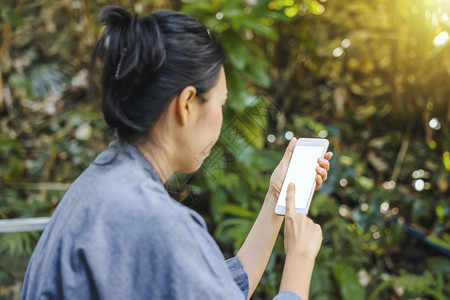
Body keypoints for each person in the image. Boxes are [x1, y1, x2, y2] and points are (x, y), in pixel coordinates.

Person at [21, 6, 333, 300]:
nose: (223, 117)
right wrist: (300, 258)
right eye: (221, 104)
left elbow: (213, 289)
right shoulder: (156, 220)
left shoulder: (101, 181)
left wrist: (275, 199)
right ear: (186, 105)